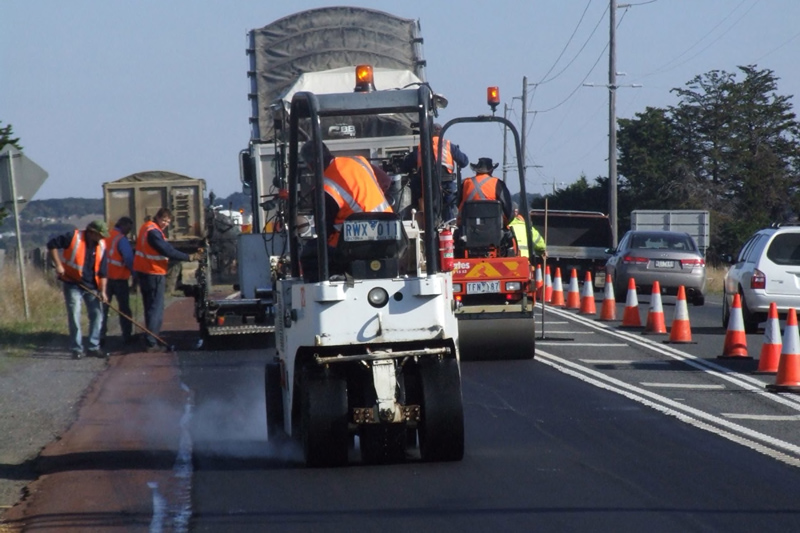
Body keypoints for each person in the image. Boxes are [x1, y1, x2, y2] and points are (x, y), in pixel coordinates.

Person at [299, 141, 393, 280]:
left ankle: (337, 282)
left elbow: (323, 230)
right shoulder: (358, 161)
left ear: (311, 165)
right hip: (389, 233)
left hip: (353, 245)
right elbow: (386, 181)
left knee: (309, 255)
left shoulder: (324, 187)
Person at [133, 208, 200, 353]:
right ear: (157, 218)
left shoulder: (146, 228)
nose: (165, 224)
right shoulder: (154, 232)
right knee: (156, 308)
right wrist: (189, 257)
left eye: (168, 222)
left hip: (144, 272)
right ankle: (151, 342)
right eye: (163, 220)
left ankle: (149, 337)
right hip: (153, 273)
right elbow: (167, 250)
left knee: (149, 307)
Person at [47, 220, 110, 359]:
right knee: (74, 314)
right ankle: (77, 349)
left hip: (92, 286)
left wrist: (103, 291)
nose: (102, 238)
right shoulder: (73, 237)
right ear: (92, 232)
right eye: (100, 235)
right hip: (72, 283)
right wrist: (58, 265)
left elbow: (103, 271)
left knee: (97, 315)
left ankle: (93, 347)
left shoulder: (102, 245)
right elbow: (51, 244)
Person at [404, 123, 469, 223]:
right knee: (450, 203)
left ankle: (422, 219)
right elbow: (464, 161)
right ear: (442, 132)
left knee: (416, 192)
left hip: (426, 183)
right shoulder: (448, 145)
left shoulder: (422, 146)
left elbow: (408, 164)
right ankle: (449, 224)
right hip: (446, 183)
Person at [100, 216, 135, 347]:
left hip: (104, 279)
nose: (129, 231)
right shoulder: (121, 239)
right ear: (124, 226)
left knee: (103, 309)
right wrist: (134, 273)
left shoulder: (106, 236)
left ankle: (101, 336)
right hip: (119, 279)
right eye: (129, 228)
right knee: (124, 309)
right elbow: (128, 258)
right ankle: (127, 336)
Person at [458, 157, 514, 224]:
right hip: (493, 227)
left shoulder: (465, 183)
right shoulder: (498, 183)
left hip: (468, 227)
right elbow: (508, 210)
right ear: (491, 171)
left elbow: (458, 203)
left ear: (476, 170)